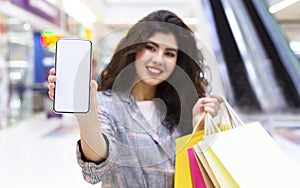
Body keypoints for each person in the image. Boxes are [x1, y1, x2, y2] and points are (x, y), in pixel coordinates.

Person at [48, 10, 223, 188]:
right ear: (135, 50)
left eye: (169, 53)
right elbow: (96, 169)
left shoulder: (181, 107)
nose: (158, 59)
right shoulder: (106, 103)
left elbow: (193, 176)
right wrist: (86, 117)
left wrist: (199, 128)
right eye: (151, 48)